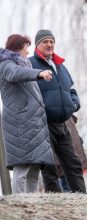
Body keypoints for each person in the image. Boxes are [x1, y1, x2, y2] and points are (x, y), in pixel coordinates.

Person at [29, 29, 86, 193]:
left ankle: (81, 197)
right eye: (45, 41)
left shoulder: (61, 66)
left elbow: (72, 89)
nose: (49, 44)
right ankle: (55, 199)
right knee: (49, 165)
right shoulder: (30, 64)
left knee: (73, 162)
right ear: (37, 45)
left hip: (63, 123)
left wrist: (74, 104)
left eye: (51, 41)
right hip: (43, 123)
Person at [0, 34, 54, 193]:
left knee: (34, 170)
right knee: (21, 169)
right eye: (26, 48)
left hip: (33, 124)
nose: (28, 52)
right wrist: (39, 73)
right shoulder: (6, 64)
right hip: (19, 123)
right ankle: (19, 205)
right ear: (17, 49)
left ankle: (33, 205)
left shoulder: (25, 65)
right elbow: (14, 74)